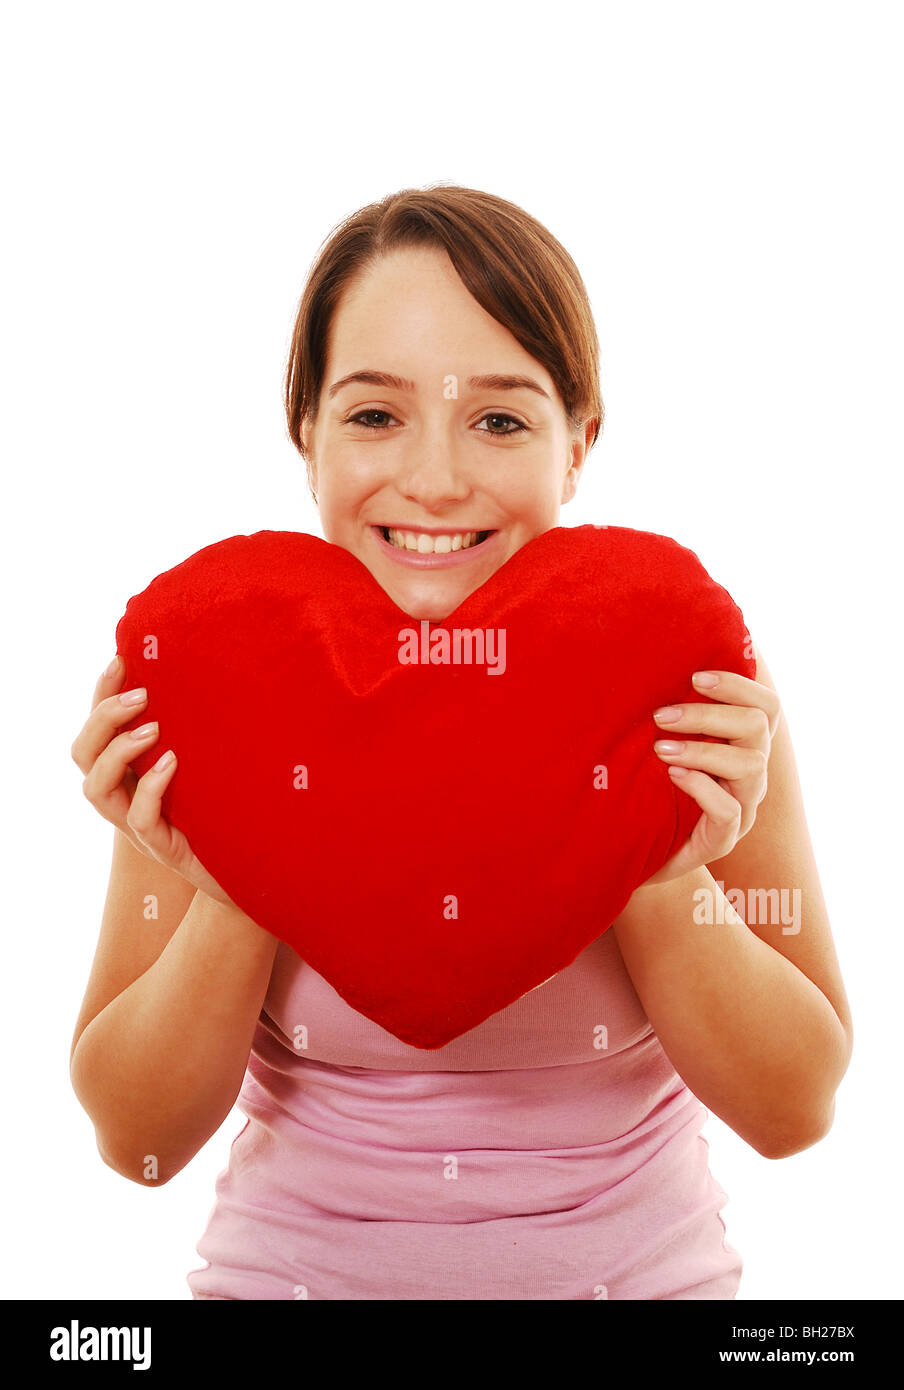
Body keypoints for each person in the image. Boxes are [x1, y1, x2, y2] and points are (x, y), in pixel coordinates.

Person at [69, 184, 853, 1300]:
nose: (433, 480)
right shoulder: (224, 686)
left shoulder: (682, 680)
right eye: (375, 414)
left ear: (577, 444)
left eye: (499, 419)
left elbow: (795, 1113)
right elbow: (132, 1137)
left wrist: (648, 858)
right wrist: (242, 872)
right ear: (306, 436)